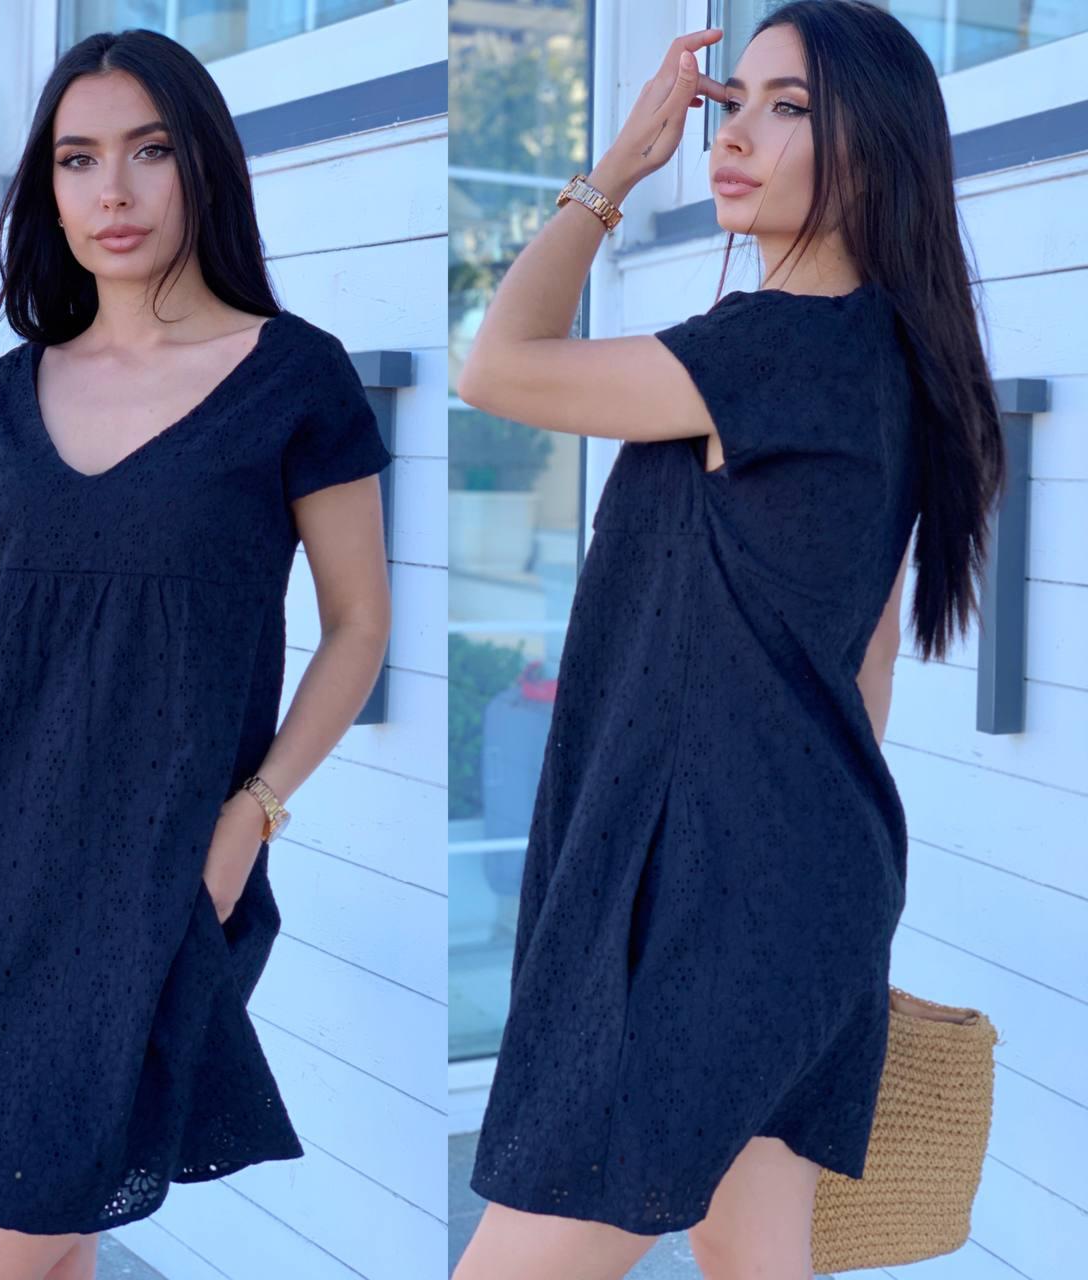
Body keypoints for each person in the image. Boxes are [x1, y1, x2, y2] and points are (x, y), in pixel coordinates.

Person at [452, 4, 1005, 1278]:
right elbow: (864, 668)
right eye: (729, 102)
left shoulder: (769, 349)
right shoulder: (886, 358)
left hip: (714, 894)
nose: (732, 137)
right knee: (751, 1251)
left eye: (787, 107)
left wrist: (613, 171)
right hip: (800, 882)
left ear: (871, 149)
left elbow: (495, 365)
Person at [0, 28, 393, 1280]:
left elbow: (359, 626)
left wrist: (249, 817)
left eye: (148, 151)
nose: (114, 190)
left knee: (3, 1222)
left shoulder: (293, 379)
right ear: (48, 188)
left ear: (201, 165)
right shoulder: (1, 403)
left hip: (155, 880)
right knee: (54, 1237)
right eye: (78, 158)